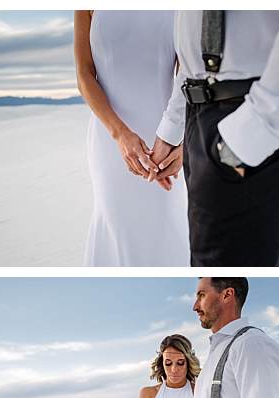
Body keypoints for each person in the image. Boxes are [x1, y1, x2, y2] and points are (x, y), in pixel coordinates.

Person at [150, 11, 279, 266]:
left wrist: (244, 141)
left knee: (221, 266)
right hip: (208, 118)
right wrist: (172, 128)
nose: (193, 306)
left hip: (254, 116)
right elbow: (196, 50)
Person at [73, 10, 189, 266]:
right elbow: (84, 73)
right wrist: (120, 134)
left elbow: (191, 74)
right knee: (116, 226)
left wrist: (182, 141)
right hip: (109, 141)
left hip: (169, 141)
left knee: (167, 226)